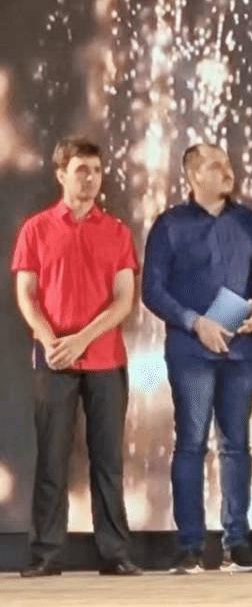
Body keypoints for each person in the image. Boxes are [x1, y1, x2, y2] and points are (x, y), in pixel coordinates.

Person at [141, 143, 252, 573]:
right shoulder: (169, 225)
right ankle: (190, 546)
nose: (227, 169)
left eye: (227, 162)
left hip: (241, 353)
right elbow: (152, 290)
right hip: (191, 352)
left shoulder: (251, 224)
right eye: (216, 165)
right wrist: (194, 322)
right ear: (193, 175)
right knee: (191, 443)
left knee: (237, 446)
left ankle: (238, 542)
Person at [11, 138, 142, 577]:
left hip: (106, 359)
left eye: (96, 170)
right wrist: (52, 340)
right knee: (51, 460)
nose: (90, 178)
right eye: (81, 169)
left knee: (108, 461)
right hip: (53, 360)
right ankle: (45, 554)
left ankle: (115, 554)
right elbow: (27, 294)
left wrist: (81, 339)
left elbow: (124, 299)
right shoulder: (36, 228)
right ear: (61, 174)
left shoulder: (117, 231)